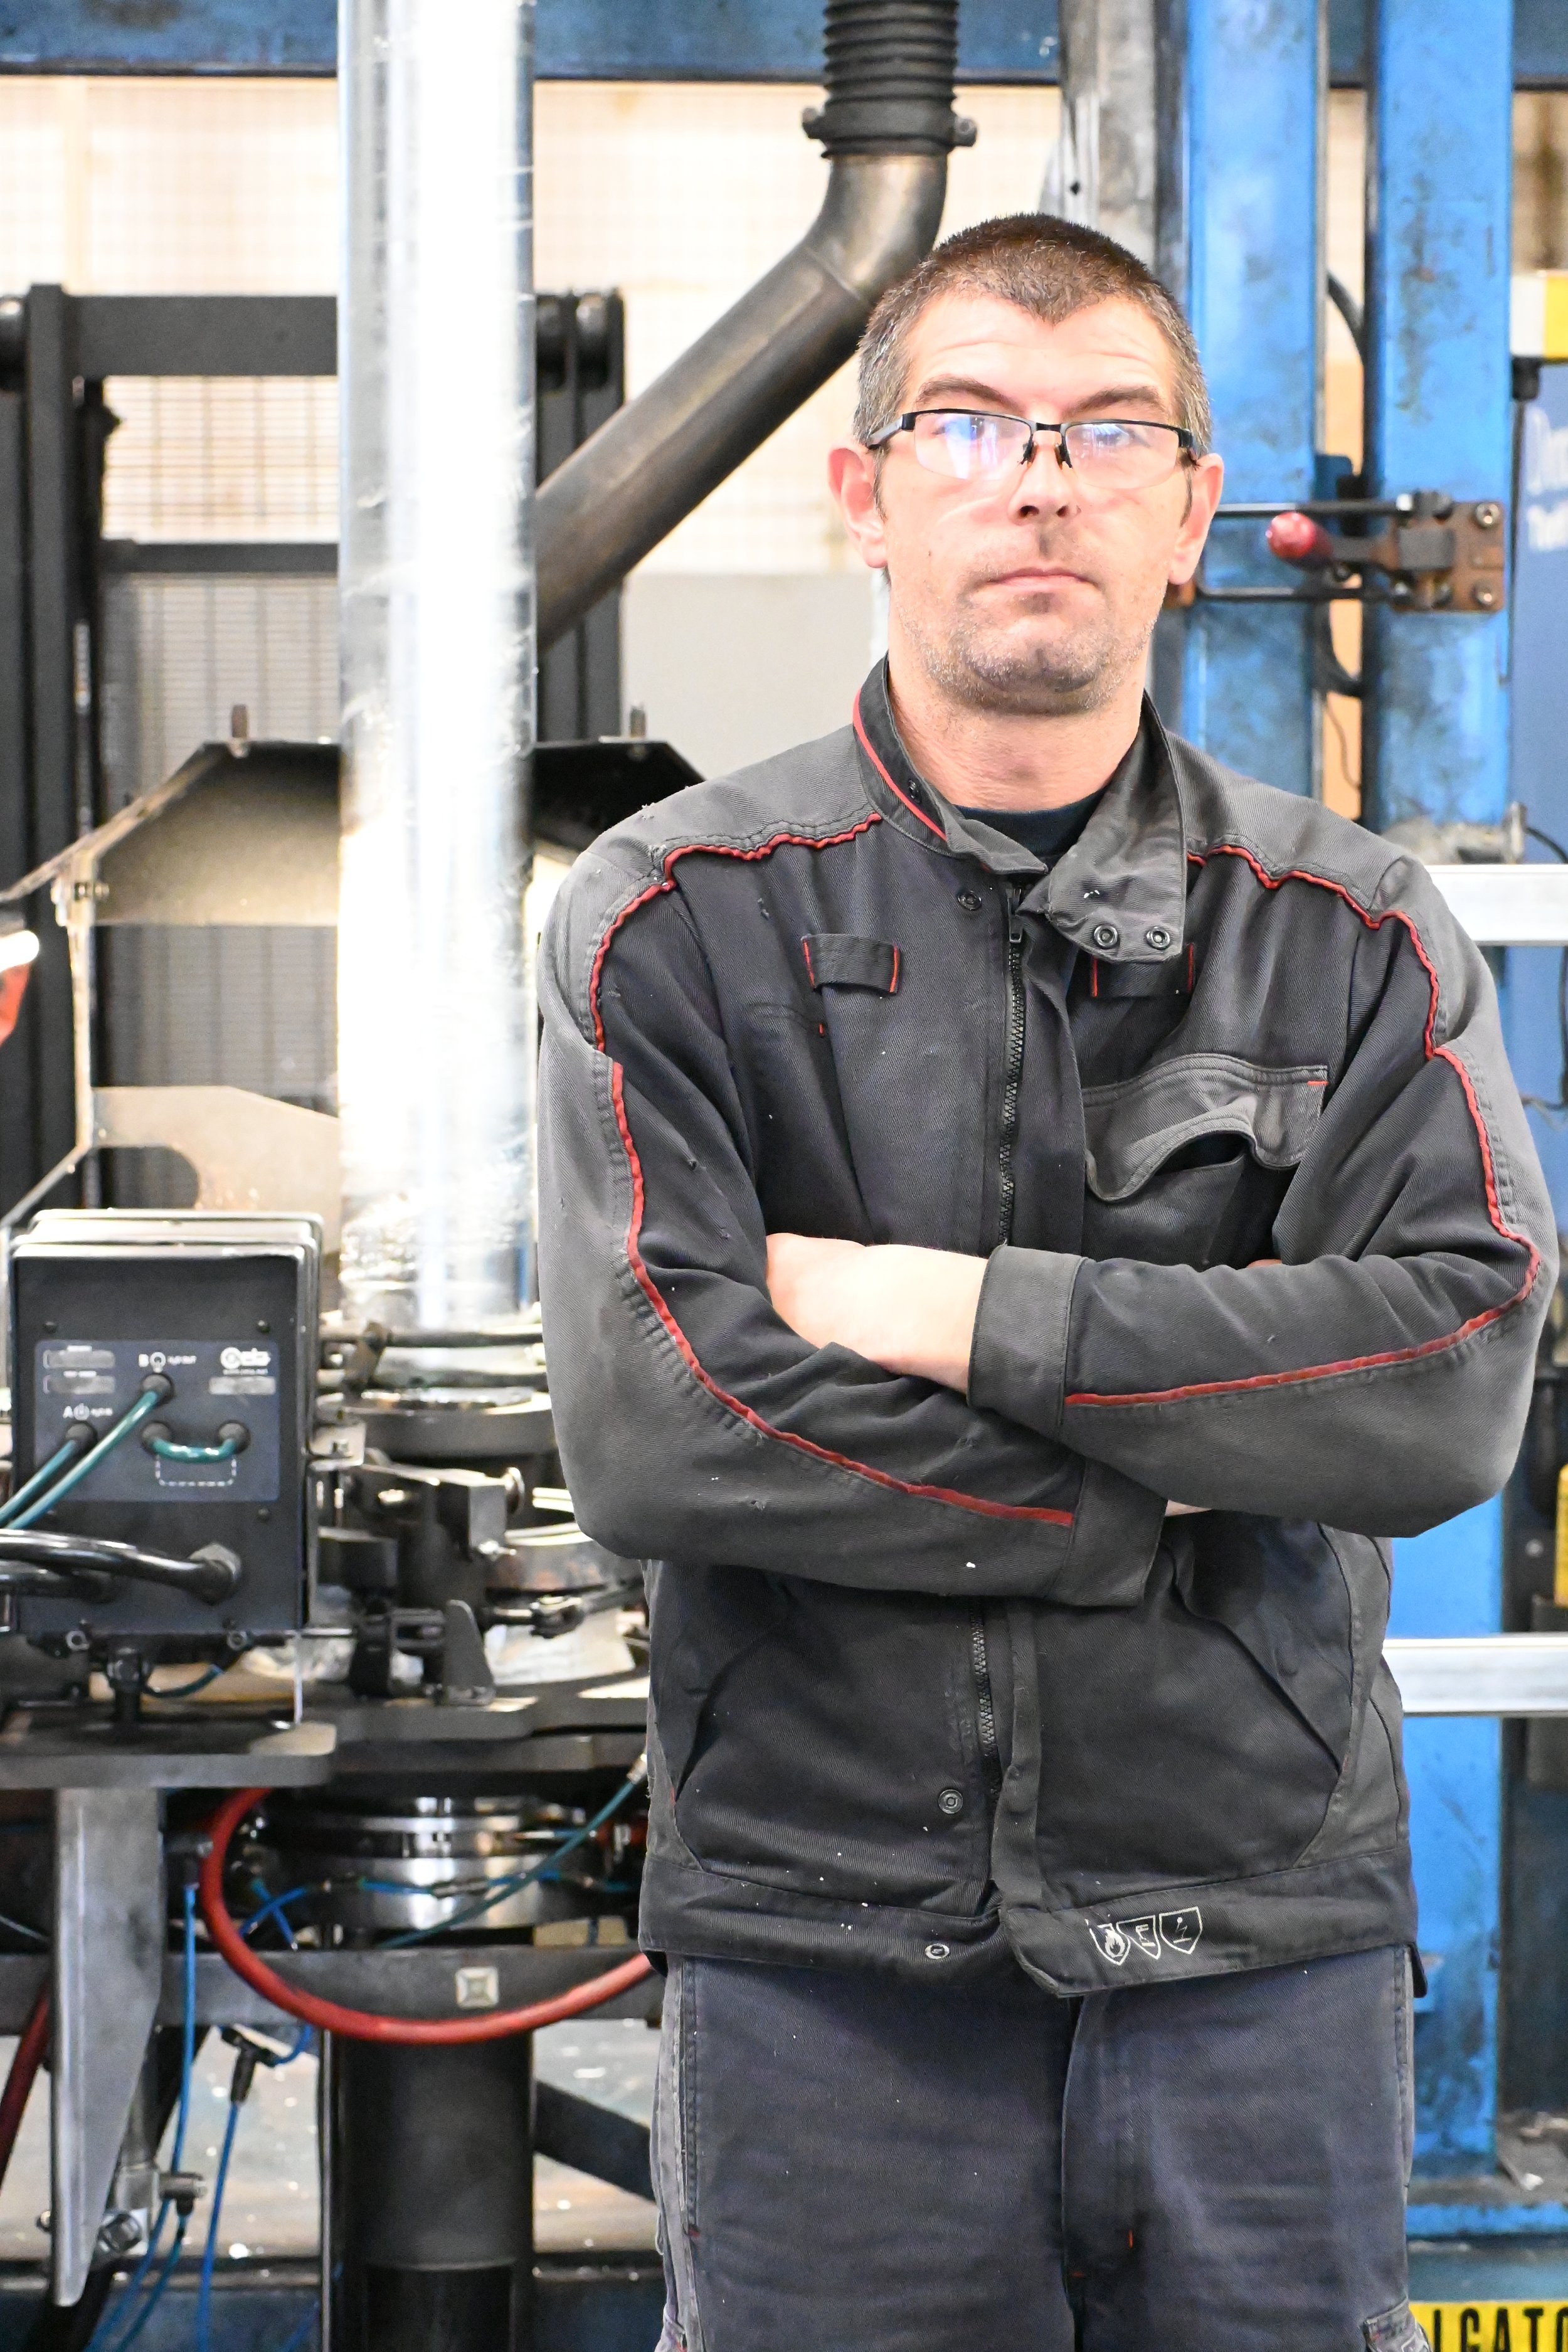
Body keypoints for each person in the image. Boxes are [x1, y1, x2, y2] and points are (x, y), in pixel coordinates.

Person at [536, 214, 1555, 2352]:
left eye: (1108, 431)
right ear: (864, 492)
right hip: (827, 1963)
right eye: (972, 423)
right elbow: (661, 1431)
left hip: (1256, 1955)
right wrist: (1146, 1495)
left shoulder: (1350, 932)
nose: (1039, 480)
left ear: (1187, 515)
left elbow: (1446, 1378)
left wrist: (948, 1313)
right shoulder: (675, 916)